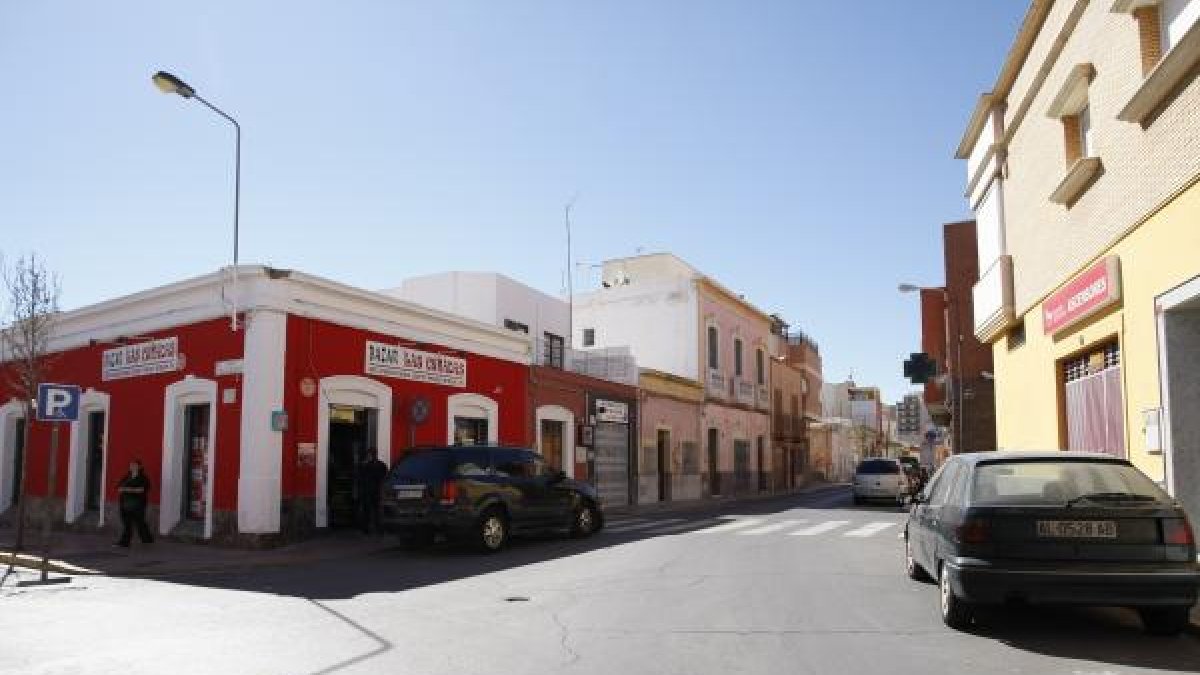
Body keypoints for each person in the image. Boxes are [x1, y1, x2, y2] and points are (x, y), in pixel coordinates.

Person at [115, 459, 154, 548]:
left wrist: (127, 489)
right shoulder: (127, 477)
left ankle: (125, 542)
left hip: (138, 504)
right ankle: (147, 539)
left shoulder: (143, 478)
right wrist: (125, 489)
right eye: (131, 465)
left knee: (139, 522)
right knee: (128, 523)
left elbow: (141, 490)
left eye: (134, 465)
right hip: (125, 503)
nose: (132, 467)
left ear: (140, 467)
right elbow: (119, 487)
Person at [355, 448, 389, 534]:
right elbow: (385, 478)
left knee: (368, 511)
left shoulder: (365, 465)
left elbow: (360, 478)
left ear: (370, 455)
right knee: (376, 511)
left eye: (369, 454)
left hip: (369, 491)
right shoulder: (381, 465)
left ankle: (367, 529)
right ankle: (378, 529)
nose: (369, 456)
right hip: (376, 491)